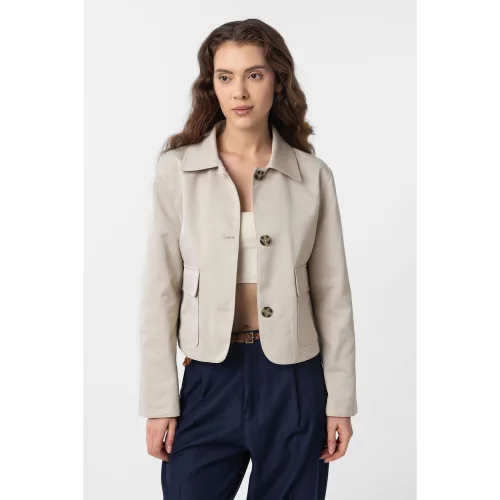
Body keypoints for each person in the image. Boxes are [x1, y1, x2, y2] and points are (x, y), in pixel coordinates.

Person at [138, 18, 358, 500]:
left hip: (294, 381)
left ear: (278, 81)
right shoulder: (177, 171)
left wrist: (340, 401)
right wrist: (160, 401)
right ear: (211, 85)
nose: (239, 91)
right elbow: (160, 291)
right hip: (207, 378)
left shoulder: (311, 176)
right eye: (225, 76)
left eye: (254, 75)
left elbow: (333, 296)